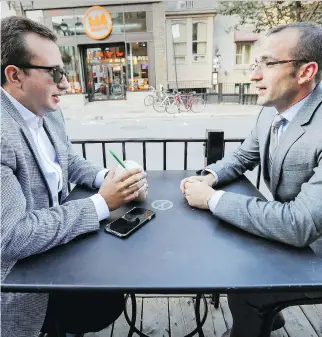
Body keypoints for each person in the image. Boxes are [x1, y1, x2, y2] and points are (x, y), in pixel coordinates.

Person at [1, 16, 147, 337]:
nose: (65, 84)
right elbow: (11, 238)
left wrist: (112, 178)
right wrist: (101, 203)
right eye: (54, 73)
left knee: (111, 291)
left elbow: (69, 160)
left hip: (60, 256)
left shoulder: (49, 113)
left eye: (63, 71)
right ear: (15, 75)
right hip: (22, 286)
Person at [180, 22, 322, 337]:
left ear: (305, 72)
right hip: (295, 235)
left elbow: (300, 224)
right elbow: (244, 157)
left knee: (247, 286)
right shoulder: (272, 110)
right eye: (255, 63)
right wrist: (208, 176)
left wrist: (211, 199)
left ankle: (259, 317)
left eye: (268, 64)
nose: (253, 75)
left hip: (314, 250)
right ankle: (272, 316)